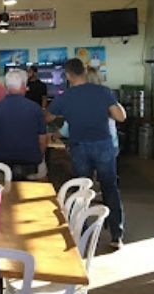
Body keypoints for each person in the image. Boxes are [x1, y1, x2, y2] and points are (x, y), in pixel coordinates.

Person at [46, 58, 127, 249]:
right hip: (103, 146)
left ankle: (81, 231)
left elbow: (48, 116)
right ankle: (116, 235)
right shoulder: (103, 91)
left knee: (82, 190)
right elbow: (120, 117)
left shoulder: (65, 97)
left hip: (79, 147)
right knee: (110, 187)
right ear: (84, 71)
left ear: (67, 75)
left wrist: (64, 113)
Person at [0, 70, 48, 180]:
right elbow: (42, 141)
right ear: (23, 86)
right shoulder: (35, 108)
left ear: (6, 87)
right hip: (31, 164)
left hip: (2, 164)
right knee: (43, 173)